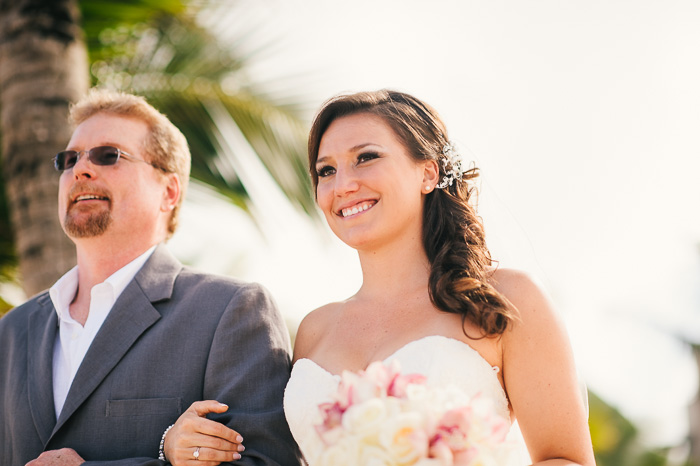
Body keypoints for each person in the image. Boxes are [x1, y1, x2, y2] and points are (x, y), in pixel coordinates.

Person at [170, 89, 596, 465]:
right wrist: (180, 443)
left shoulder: (505, 296)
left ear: (428, 172)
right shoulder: (315, 330)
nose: (344, 184)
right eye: (326, 171)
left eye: (366, 158)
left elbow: (566, 459)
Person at [0, 89, 302, 466]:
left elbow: (264, 462)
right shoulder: (11, 332)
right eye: (69, 158)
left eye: (108, 155)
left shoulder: (231, 310)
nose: (80, 169)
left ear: (169, 191)